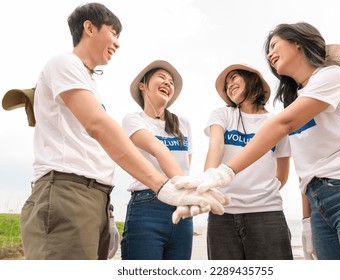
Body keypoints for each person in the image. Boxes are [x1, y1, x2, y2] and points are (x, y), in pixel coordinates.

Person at [17, 3, 225, 260]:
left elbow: (105, 142)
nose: (117, 42)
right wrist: (162, 186)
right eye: (113, 32)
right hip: (68, 192)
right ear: (89, 27)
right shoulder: (64, 63)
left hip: (97, 198)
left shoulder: (89, 81)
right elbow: (99, 126)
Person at [172, 22, 340, 260]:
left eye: (274, 45)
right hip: (319, 202)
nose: (269, 54)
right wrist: (307, 219)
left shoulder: (333, 75)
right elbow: (305, 168)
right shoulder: (295, 100)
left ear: (298, 42)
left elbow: (282, 126)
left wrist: (221, 174)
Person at [204, 63, 293, 259]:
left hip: (267, 214)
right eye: (227, 84)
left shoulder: (275, 121)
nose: (229, 85)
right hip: (222, 214)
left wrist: (260, 195)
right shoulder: (223, 114)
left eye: (234, 78)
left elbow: (282, 174)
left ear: (253, 80)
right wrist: (207, 182)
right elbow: (216, 146)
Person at [120, 60, 197, 259]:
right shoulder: (133, 119)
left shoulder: (183, 124)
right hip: (148, 206)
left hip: (182, 212)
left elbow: (186, 164)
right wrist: (188, 190)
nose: (168, 83)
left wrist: (186, 196)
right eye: (162, 77)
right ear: (142, 85)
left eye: (171, 81)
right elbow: (158, 149)